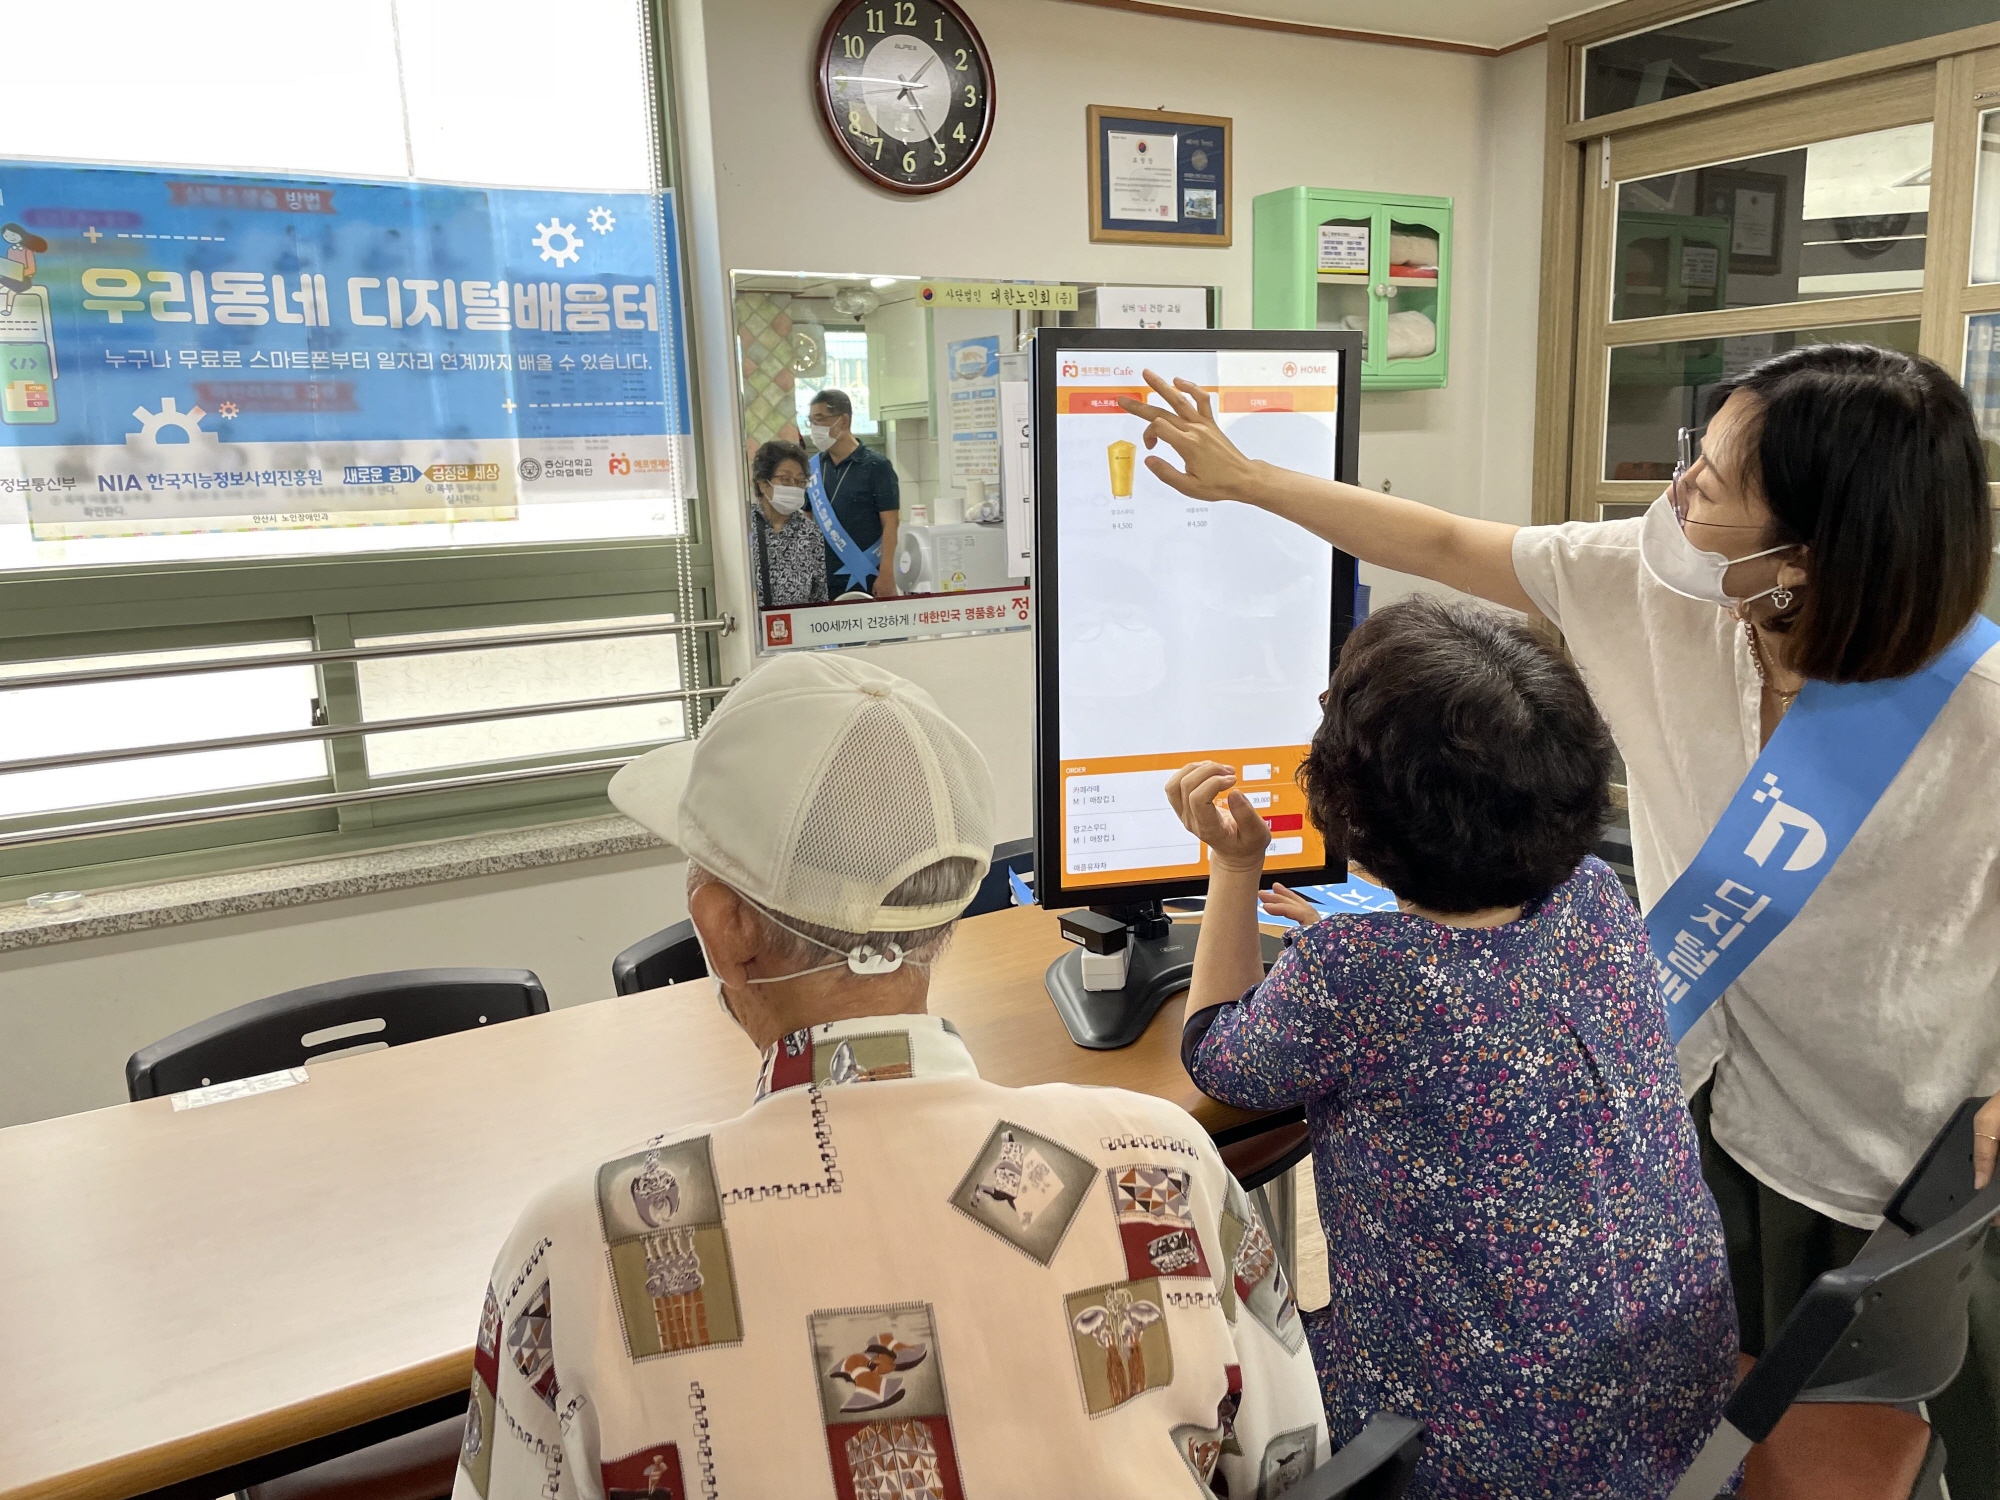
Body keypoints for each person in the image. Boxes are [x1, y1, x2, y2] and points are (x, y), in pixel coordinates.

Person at [1120, 342, 2000, 1492]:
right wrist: (1245, 480)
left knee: (1842, 1376)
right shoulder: (1655, 595)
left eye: (1715, 478)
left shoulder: (1977, 714)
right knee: (1662, 1373)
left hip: (1873, 1132)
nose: (1676, 488)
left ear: (1805, 552)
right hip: (1687, 1101)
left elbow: (1226, 1059)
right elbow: (1439, 544)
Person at [453, 653, 1330, 1500]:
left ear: (721, 928)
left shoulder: (581, 1251)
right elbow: (1295, 1463)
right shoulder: (1162, 1161)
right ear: (948, 903)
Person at [1171, 596, 1737, 1499]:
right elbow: (1476, 1000)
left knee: (1202, 1371)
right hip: (1678, 1418)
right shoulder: (1594, 896)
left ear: (1351, 800)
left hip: (1482, 1452)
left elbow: (1217, 1055)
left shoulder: (1360, 973)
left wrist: (1236, 866)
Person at [806, 387, 900, 599]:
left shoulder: (877, 466)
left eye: (820, 419)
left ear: (844, 421)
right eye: (811, 421)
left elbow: (891, 523)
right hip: (824, 578)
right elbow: (807, 519)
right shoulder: (812, 468)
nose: (814, 427)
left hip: (867, 573)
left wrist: (886, 574)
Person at [746, 438, 828, 608]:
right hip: (753, 628)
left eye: (800, 481)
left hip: (799, 627)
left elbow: (819, 595)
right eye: (785, 479)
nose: (794, 487)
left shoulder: (810, 532)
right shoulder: (744, 527)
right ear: (763, 483)